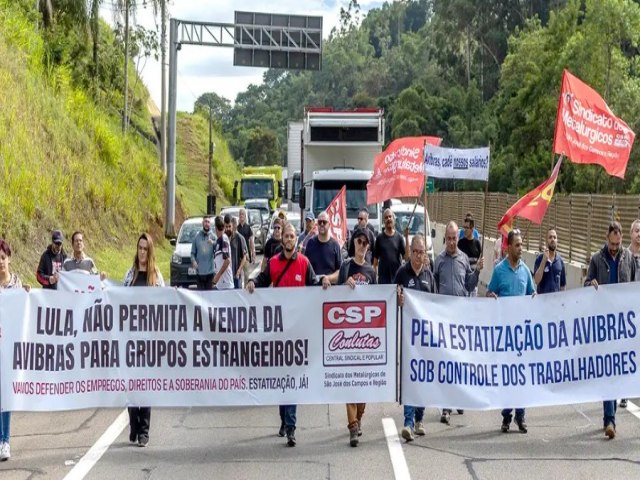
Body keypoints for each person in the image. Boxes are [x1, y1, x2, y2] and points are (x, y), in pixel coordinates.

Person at [246, 222, 316, 447]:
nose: (289, 239)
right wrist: (252, 282)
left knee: (292, 379)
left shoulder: (304, 263)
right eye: (286, 236)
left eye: (292, 236)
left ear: (296, 239)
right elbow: (263, 280)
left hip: (297, 333)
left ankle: (291, 427)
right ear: (282, 239)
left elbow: (314, 285)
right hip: (278, 332)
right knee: (281, 380)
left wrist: (325, 282)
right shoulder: (275, 263)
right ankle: (284, 420)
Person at [322, 228, 376, 447]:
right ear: (353, 243)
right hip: (346, 335)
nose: (361, 245)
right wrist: (343, 286)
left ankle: (359, 417)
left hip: (366, 336)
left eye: (365, 243)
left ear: (368, 247)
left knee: (363, 384)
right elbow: (336, 298)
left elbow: (378, 301)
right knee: (349, 382)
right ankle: (352, 426)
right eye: (359, 241)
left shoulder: (371, 272)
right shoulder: (346, 267)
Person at [584, 221, 636, 439]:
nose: (614, 248)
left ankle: (611, 414)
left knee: (618, 371)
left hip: (623, 325)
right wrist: (591, 285)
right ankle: (610, 419)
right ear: (607, 239)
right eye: (611, 244)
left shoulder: (629, 258)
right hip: (604, 325)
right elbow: (586, 284)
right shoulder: (597, 259)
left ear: (621, 239)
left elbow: (634, 286)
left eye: (617, 243)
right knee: (608, 371)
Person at [487, 228, 535, 434]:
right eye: (517, 245)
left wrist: (535, 297)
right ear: (508, 247)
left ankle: (520, 415)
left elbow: (533, 293)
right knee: (508, 376)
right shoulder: (499, 271)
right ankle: (506, 415)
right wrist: (491, 297)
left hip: (522, 335)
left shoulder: (525, 271)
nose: (521, 248)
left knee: (522, 376)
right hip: (505, 335)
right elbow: (490, 292)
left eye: (522, 244)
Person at [434, 221, 483, 424]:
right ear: (445, 238)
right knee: (447, 363)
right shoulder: (438, 261)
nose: (453, 242)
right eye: (450, 238)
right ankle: (445, 406)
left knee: (461, 361)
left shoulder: (463, 259)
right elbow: (433, 286)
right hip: (445, 319)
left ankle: (459, 398)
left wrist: (478, 271)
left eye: (455, 238)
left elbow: (469, 285)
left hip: (460, 319)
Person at [123, 233, 164, 447]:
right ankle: (134, 423)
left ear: (150, 251)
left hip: (149, 341)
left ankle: (144, 431)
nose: (141, 252)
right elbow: (118, 300)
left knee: (145, 385)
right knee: (132, 385)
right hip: (131, 339)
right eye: (139, 248)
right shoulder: (129, 275)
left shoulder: (156, 276)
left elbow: (166, 304)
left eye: (145, 248)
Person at [395, 234, 437, 442]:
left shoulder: (429, 275)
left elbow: (436, 303)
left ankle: (420, 419)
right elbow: (392, 298)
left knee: (424, 378)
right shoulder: (402, 273)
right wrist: (399, 300)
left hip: (426, 337)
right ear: (410, 252)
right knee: (410, 378)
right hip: (408, 338)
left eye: (423, 252)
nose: (420, 256)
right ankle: (408, 422)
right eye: (416, 252)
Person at [0, 239, 30, 461]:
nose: (1, 262)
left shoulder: (17, 283)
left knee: (5, 397)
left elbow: (24, 313)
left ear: (9, 258)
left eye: (3, 258)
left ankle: (4, 440)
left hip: (9, 349)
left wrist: (29, 296)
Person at [304, 211, 342, 281]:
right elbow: (305, 267)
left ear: (329, 225)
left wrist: (327, 278)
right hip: (312, 288)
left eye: (324, 222)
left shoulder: (335, 245)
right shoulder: (310, 243)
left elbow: (339, 271)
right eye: (319, 222)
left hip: (330, 288)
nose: (321, 224)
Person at [373, 208, 407, 284]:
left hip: (397, 278)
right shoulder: (379, 238)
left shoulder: (399, 237)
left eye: (390, 216)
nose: (388, 219)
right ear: (383, 221)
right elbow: (375, 262)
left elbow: (406, 257)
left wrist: (407, 238)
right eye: (386, 217)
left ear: (394, 219)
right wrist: (374, 277)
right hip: (383, 280)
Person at [533, 228, 566, 294]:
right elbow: (536, 281)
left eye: (554, 237)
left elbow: (562, 285)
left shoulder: (560, 261)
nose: (552, 239)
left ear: (557, 241)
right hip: (542, 301)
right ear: (546, 241)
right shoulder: (539, 258)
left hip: (556, 301)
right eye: (550, 237)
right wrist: (544, 261)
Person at [190, 216, 216, 290]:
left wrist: (213, 243)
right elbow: (192, 253)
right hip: (199, 272)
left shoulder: (214, 237)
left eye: (208, 222)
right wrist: (193, 261)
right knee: (200, 296)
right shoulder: (196, 237)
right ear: (202, 223)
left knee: (209, 296)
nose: (206, 224)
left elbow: (218, 250)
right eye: (205, 222)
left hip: (210, 272)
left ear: (210, 224)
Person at [225, 215, 247, 289]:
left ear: (233, 225)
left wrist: (238, 271)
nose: (228, 229)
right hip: (225, 277)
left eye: (229, 226)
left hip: (236, 277)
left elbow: (244, 257)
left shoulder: (239, 238)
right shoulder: (223, 239)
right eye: (226, 227)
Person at [213, 215, 234, 290]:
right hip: (220, 284)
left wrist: (217, 276)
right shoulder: (218, 241)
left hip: (226, 284)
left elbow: (227, 260)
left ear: (215, 228)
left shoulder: (224, 239)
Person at [237, 209, 255, 280]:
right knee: (238, 276)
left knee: (247, 275)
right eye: (240, 214)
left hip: (246, 255)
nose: (241, 215)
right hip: (238, 256)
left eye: (243, 214)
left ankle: (245, 290)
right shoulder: (236, 228)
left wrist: (253, 253)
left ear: (245, 216)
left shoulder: (248, 228)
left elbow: (251, 242)